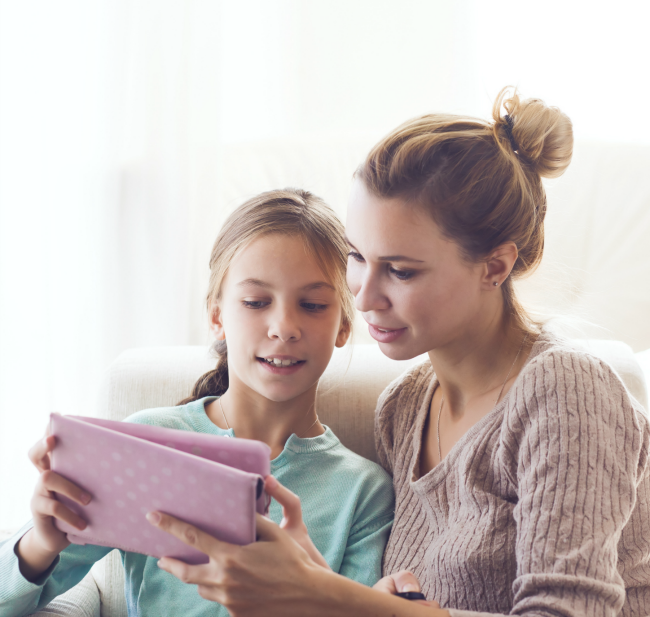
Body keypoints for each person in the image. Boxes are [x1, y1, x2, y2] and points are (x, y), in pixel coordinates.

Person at [143, 88, 650, 617]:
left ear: (495, 267)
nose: (361, 297)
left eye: (402, 271)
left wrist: (325, 594)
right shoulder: (403, 409)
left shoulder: (567, 392)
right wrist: (309, 580)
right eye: (358, 257)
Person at [0, 190, 395, 617]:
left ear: (343, 325)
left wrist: (304, 586)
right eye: (255, 302)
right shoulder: (149, 444)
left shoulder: (363, 490)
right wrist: (41, 544)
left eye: (313, 305)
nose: (284, 327)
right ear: (217, 317)